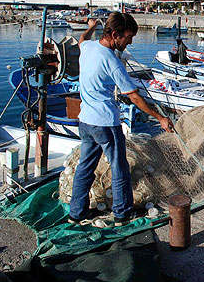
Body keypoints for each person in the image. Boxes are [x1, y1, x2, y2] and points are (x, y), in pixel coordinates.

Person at [69, 13, 174, 226]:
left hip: (86, 122)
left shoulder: (87, 48)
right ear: (115, 34)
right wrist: (160, 117)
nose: (130, 42)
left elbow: (81, 40)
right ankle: (122, 214)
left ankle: (76, 213)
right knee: (119, 167)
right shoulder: (112, 62)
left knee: (85, 167)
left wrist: (92, 26)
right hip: (106, 123)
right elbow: (133, 95)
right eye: (128, 37)